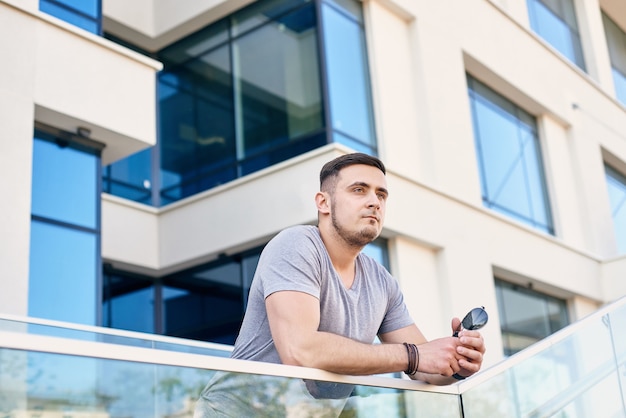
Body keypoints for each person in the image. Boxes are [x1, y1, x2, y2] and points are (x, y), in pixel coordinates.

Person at [194, 153, 486, 416]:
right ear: (323, 202)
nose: (374, 202)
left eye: (381, 195)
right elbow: (300, 351)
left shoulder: (381, 282)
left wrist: (456, 363)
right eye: (359, 190)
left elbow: (426, 368)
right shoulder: (296, 245)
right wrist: (414, 355)